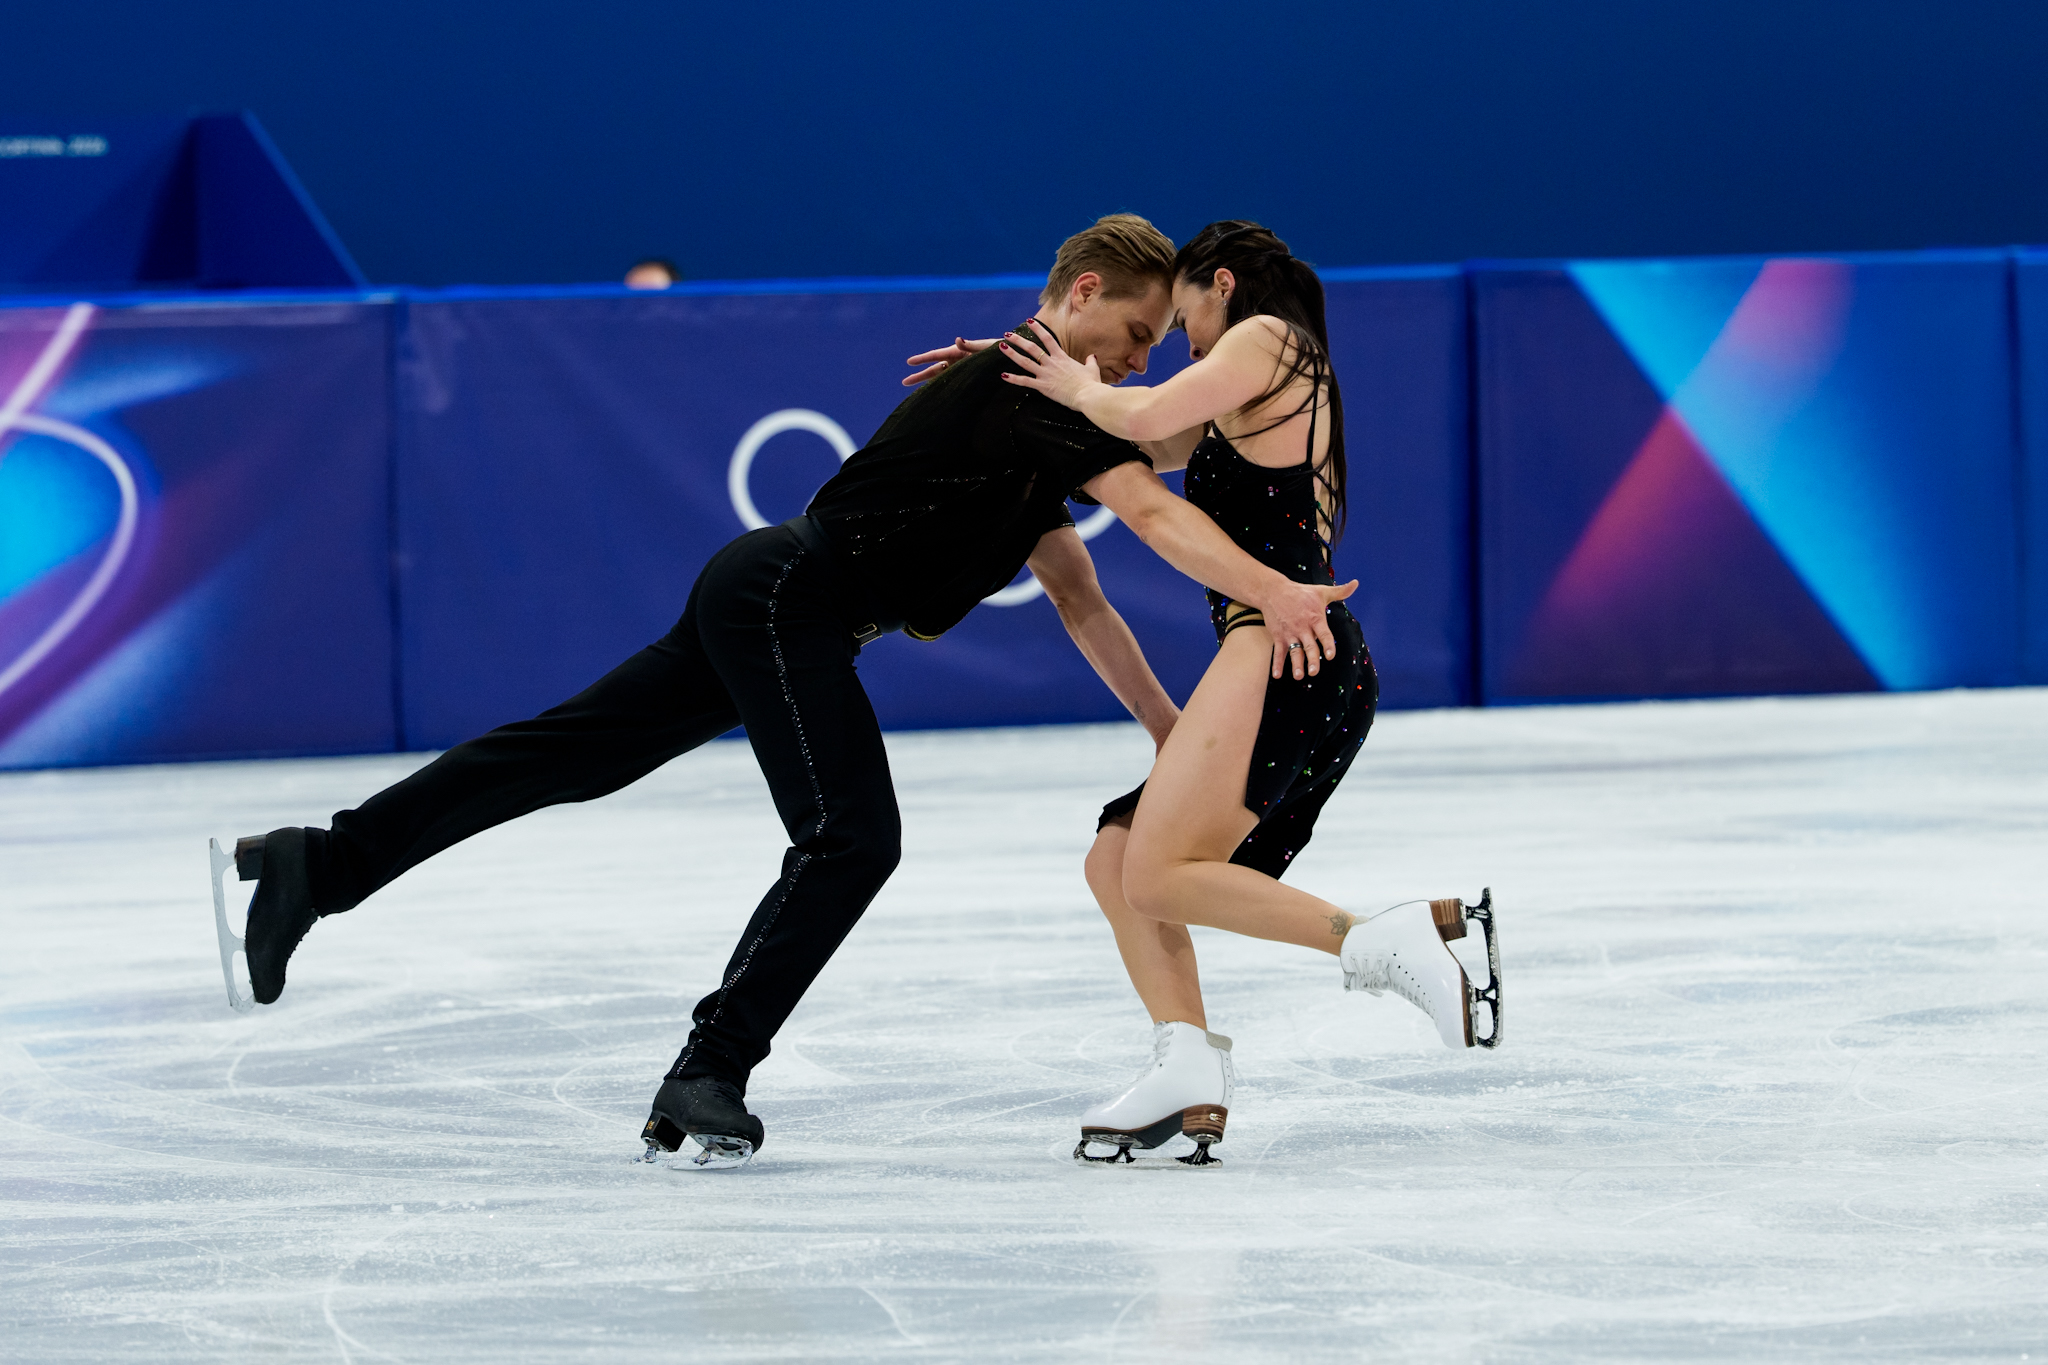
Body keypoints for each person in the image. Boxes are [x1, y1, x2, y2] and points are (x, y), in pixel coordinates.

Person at [215, 214, 1358, 1170]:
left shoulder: (1038, 407)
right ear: (1083, 293)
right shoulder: (1037, 394)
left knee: (568, 756)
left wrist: (1166, 729)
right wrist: (1275, 591)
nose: (1142, 362)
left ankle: (323, 863)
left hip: (772, 598)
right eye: (1135, 335)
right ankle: (709, 1069)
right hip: (783, 598)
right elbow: (1153, 506)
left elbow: (1081, 595)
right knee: (850, 838)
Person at [996, 222, 1501, 1166]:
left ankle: (1381, 941)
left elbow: (1141, 414)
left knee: (1155, 873)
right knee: (1119, 859)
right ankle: (1185, 1061)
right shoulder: (1246, 392)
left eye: (1181, 317)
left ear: (1219, 284)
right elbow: (1134, 434)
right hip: (1286, 653)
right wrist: (1008, 373)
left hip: (1283, 646)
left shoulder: (1269, 341)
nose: (1177, 342)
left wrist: (1074, 382)